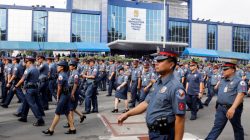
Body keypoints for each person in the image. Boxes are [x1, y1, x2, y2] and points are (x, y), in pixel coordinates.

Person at [117, 49, 186, 140]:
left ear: (171, 65)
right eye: (157, 61)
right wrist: (127, 114)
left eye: (161, 61)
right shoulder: (158, 82)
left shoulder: (176, 87)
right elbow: (146, 103)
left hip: (164, 135)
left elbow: (180, 119)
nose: (156, 63)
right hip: (154, 133)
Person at [205, 62, 247, 140]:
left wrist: (233, 108)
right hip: (221, 108)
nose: (223, 71)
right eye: (222, 69)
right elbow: (221, 93)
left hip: (233, 108)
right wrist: (218, 104)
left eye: (225, 69)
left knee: (237, 127)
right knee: (217, 126)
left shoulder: (239, 81)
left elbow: (241, 94)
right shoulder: (223, 80)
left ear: (233, 70)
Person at [42, 60, 76, 135]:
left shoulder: (61, 75)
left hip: (63, 95)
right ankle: (72, 128)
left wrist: (57, 96)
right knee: (67, 112)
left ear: (62, 68)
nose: (57, 67)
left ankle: (51, 129)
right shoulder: (64, 74)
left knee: (57, 113)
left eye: (58, 66)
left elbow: (59, 87)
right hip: (66, 94)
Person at [14, 56, 45, 126]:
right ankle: (23, 117)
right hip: (35, 88)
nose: (25, 63)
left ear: (30, 62)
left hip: (30, 89)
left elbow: (22, 79)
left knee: (32, 105)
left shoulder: (28, 69)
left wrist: (16, 86)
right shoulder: (36, 69)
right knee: (26, 102)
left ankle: (40, 119)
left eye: (26, 62)